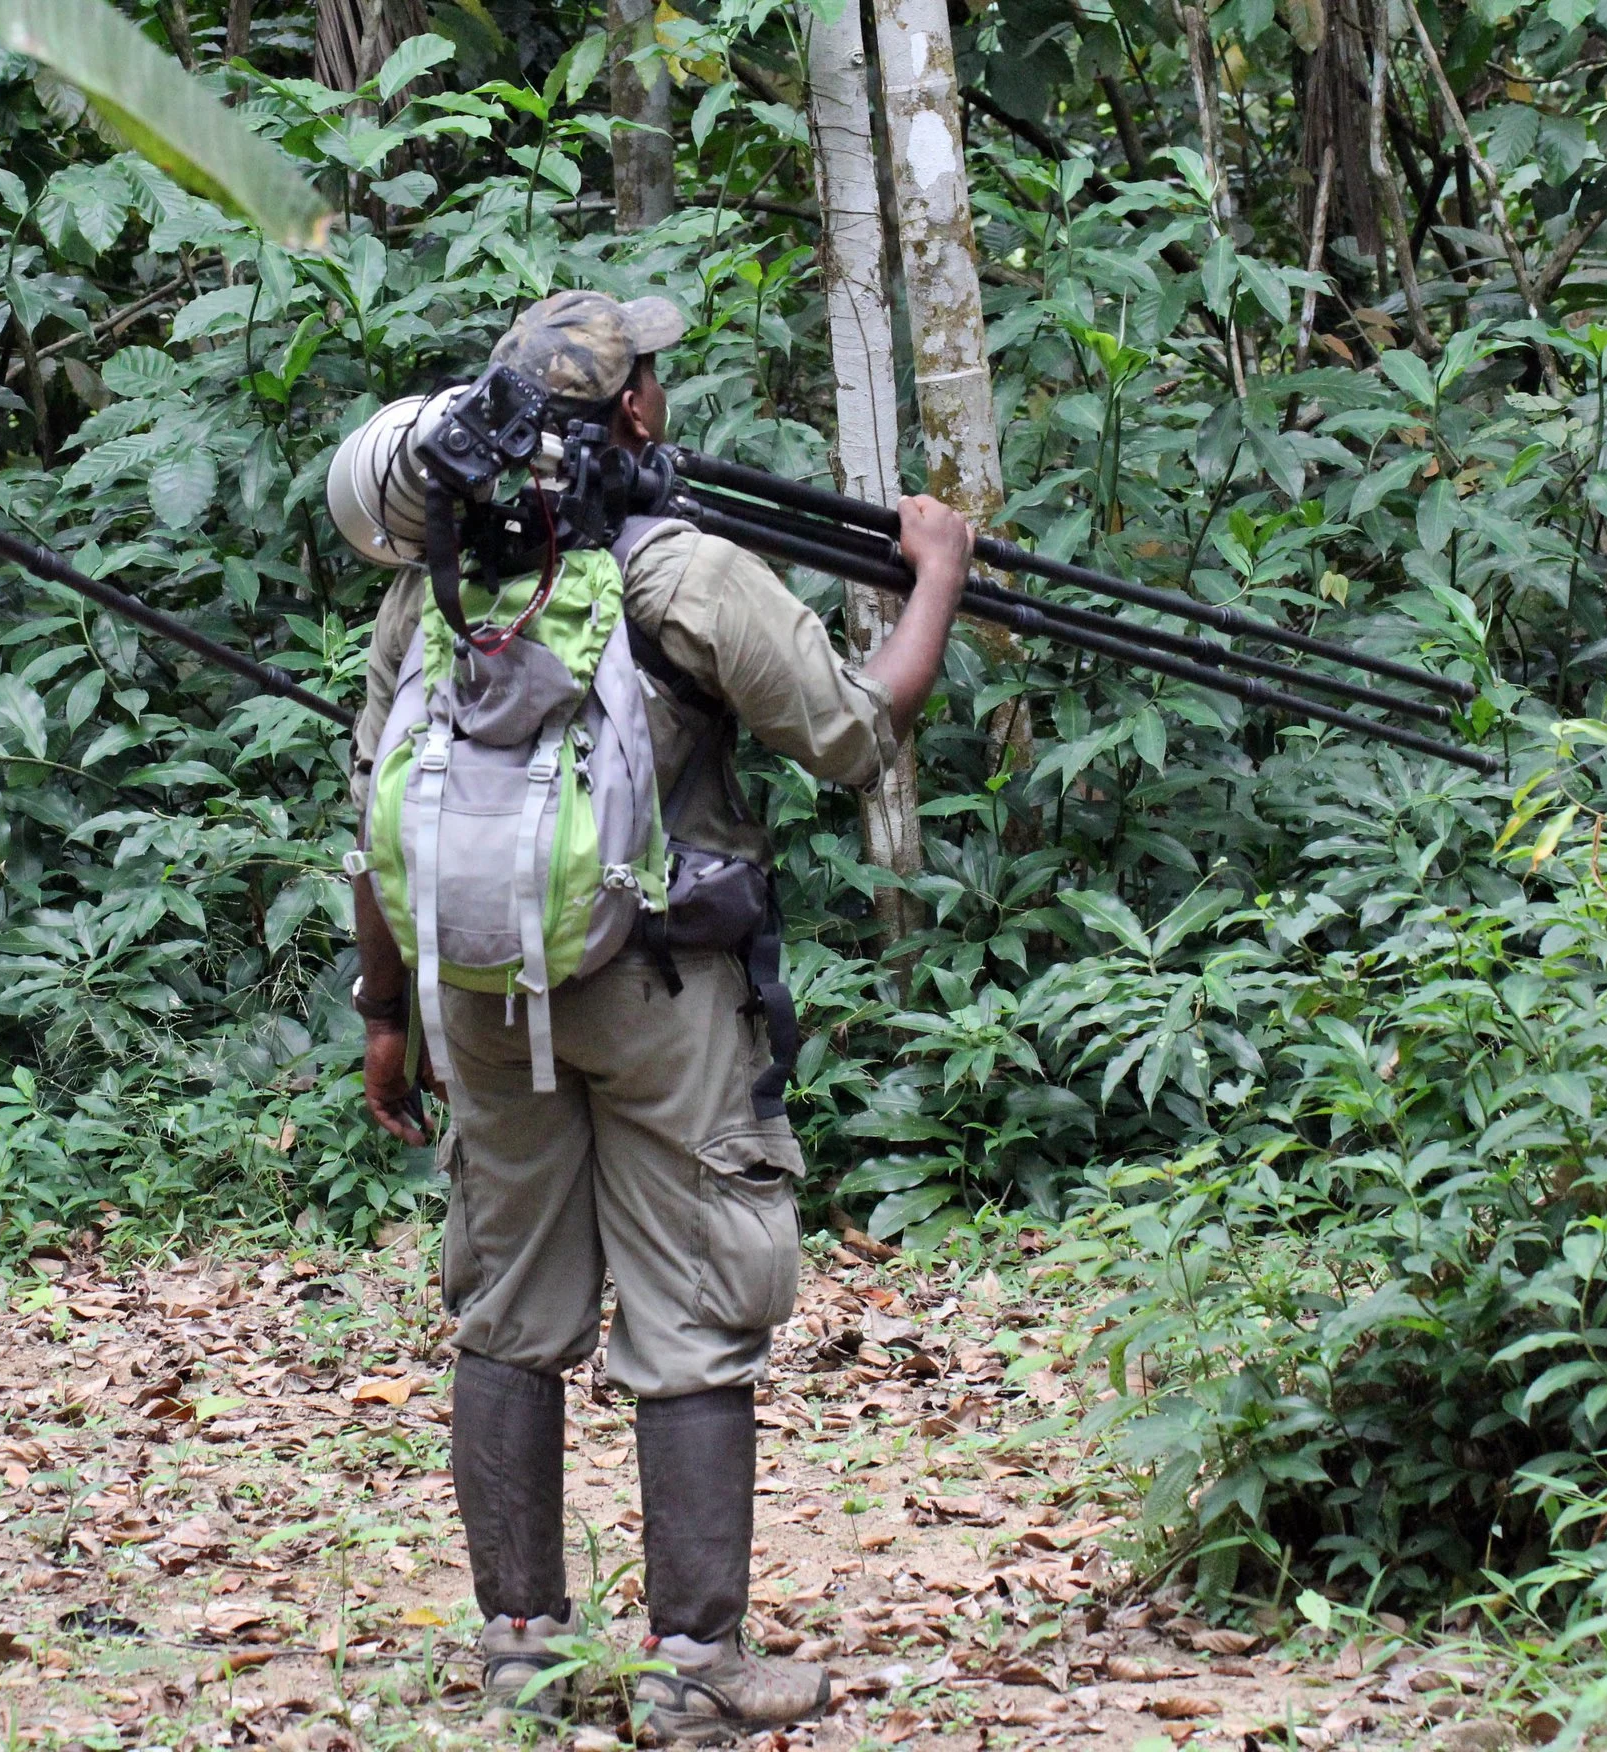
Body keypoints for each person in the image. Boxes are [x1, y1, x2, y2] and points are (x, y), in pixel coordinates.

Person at [345, 290, 975, 1741]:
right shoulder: (684, 576)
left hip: (488, 1002)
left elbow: (371, 822)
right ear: (633, 414)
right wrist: (933, 570)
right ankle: (697, 1669)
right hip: (661, 989)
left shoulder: (435, 588)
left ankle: (522, 1654)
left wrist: (388, 1012)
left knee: (506, 1313)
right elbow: (856, 731)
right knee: (693, 1314)